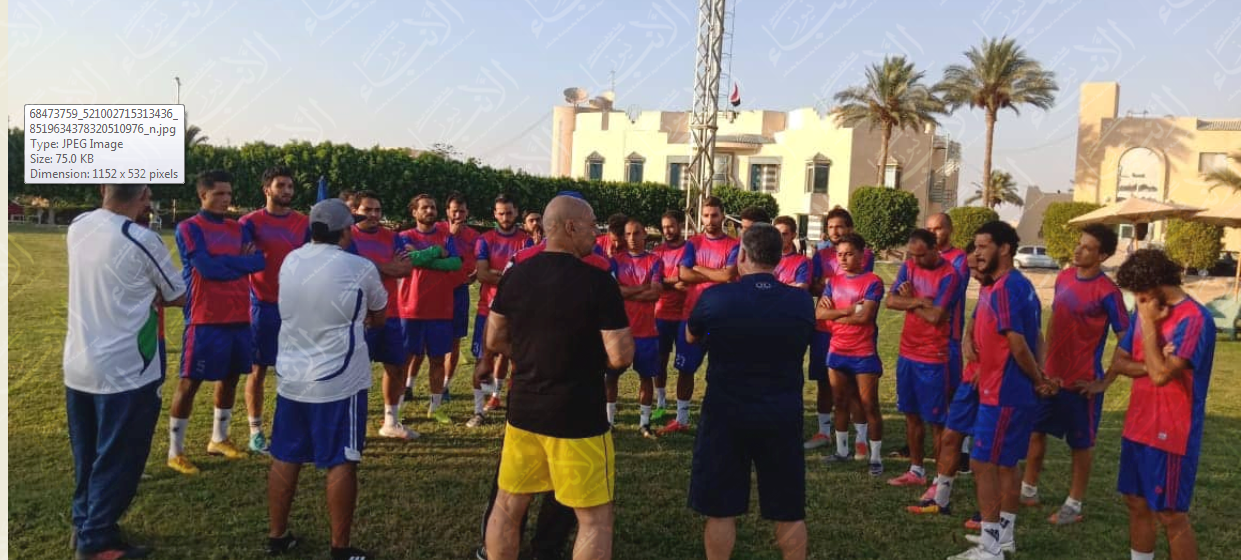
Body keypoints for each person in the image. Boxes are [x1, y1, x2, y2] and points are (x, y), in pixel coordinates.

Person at [484, 195, 634, 560]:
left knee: (508, 505)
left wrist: (533, 357)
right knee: (594, 518)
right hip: (578, 415)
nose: (596, 233)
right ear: (570, 227)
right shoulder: (598, 281)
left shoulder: (516, 274)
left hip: (524, 410)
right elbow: (620, 355)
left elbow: (494, 339)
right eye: (592, 225)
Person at [65, 185, 186, 560]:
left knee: (88, 454)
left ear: (104, 188)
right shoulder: (141, 238)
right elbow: (178, 293)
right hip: (127, 371)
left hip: (79, 366)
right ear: (144, 195)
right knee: (120, 458)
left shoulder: (78, 225)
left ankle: (84, 522)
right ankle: (97, 541)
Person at [265, 198, 386, 560]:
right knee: (341, 460)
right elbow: (379, 313)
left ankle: (277, 535)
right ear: (346, 231)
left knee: (285, 456)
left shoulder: (291, 261)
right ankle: (340, 548)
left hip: (292, 376)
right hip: (339, 381)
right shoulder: (360, 267)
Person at [686, 223, 814, 560]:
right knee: (788, 508)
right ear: (778, 257)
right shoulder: (801, 302)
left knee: (720, 509)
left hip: (726, 414)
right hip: (781, 413)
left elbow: (691, 335)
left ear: (742, 254)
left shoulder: (715, 297)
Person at [952, 220, 1056, 560]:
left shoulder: (1007, 288)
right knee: (1005, 465)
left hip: (1003, 394)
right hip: (1005, 392)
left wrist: (1037, 378)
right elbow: (1036, 335)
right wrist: (1040, 374)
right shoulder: (1014, 285)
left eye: (983, 246)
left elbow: (1019, 342)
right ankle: (1004, 538)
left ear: (1005, 248)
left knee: (983, 463)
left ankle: (991, 547)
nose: (977, 253)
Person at [1110, 248, 1213, 560]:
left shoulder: (1194, 319)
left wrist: (1148, 325)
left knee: (1170, 514)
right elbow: (1119, 362)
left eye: (1139, 292)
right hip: (1138, 424)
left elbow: (1161, 377)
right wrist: (1154, 360)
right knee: (1135, 500)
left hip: (1172, 432)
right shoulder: (1144, 310)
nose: (1137, 299)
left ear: (1155, 285)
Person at [1021, 224, 1128, 525]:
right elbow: (1054, 320)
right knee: (1035, 430)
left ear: (1102, 256)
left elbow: (1126, 340)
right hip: (1050, 377)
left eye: (1087, 247)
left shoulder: (1109, 292)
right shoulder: (1064, 277)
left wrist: (1103, 382)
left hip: (1082, 384)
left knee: (1081, 445)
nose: (1078, 250)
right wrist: (1043, 367)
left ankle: (1074, 504)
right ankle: (1028, 490)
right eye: (1079, 244)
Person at [168, 170, 265, 474]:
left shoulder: (238, 228)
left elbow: (259, 261)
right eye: (219, 193)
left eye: (229, 194)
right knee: (190, 382)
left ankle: (219, 439)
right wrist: (240, 263)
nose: (226, 199)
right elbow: (206, 269)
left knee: (231, 378)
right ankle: (175, 451)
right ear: (203, 195)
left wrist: (227, 262)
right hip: (204, 318)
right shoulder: (189, 228)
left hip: (239, 315)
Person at [907, 241, 986, 519]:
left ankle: (993, 516)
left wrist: (990, 366)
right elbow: (972, 325)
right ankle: (941, 500)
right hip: (971, 377)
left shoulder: (1012, 290)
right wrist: (967, 340)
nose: (973, 273)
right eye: (971, 268)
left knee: (988, 452)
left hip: (995, 381)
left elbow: (1023, 339)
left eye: (977, 266)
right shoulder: (987, 290)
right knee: (952, 436)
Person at [238, 166, 310, 453]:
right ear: (267, 189)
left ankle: (291, 427)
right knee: (258, 369)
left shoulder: (303, 222)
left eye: (290, 186)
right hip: (263, 305)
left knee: (295, 370)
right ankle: (255, 431)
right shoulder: (249, 222)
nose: (287, 191)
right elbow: (242, 259)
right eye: (281, 185)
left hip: (296, 307)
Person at [885, 229, 961, 488]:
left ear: (935, 249)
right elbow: (890, 301)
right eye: (912, 255)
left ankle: (940, 479)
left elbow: (936, 316)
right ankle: (916, 470)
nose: (915, 260)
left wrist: (908, 300)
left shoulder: (950, 275)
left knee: (936, 420)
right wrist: (918, 301)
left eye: (920, 255)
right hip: (907, 352)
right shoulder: (908, 267)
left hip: (933, 356)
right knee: (911, 414)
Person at [664, 196, 739, 435]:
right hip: (692, 314)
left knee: (721, 370)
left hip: (721, 317)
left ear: (723, 215)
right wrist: (715, 274)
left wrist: (698, 269)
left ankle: (720, 417)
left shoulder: (734, 245)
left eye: (714, 215)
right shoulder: (693, 244)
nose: (710, 220)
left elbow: (728, 276)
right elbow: (683, 274)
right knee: (685, 369)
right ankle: (682, 418)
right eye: (706, 215)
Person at [349, 192, 417, 440]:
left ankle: (391, 421)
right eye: (367, 210)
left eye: (377, 210)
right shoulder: (347, 237)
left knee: (396, 367)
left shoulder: (392, 237)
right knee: (356, 372)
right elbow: (350, 271)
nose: (374, 215)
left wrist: (369, 264)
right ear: (355, 211)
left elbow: (406, 269)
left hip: (391, 313)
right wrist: (387, 266)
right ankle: (351, 423)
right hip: (359, 316)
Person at [817, 233, 886, 476]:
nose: (843, 259)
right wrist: (848, 310)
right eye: (839, 255)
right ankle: (842, 451)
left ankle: (875, 458)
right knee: (840, 402)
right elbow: (819, 315)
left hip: (863, 353)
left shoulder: (873, 281)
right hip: (837, 351)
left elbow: (865, 316)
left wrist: (835, 314)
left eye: (849, 254)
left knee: (869, 405)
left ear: (861, 255)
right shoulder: (833, 282)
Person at [806, 208, 873, 454]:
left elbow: (859, 285)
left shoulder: (865, 254)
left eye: (840, 226)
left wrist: (829, 287)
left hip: (853, 330)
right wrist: (823, 287)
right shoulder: (820, 255)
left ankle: (861, 438)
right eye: (831, 227)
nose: (835, 231)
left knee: (854, 384)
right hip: (824, 329)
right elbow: (813, 286)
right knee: (824, 381)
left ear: (850, 228)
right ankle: (824, 431)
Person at [398, 194, 464, 425]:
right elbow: (409, 260)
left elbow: (456, 263)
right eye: (424, 207)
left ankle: (434, 408)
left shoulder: (447, 236)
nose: (429, 211)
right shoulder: (404, 236)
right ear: (414, 212)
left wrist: (423, 258)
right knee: (404, 360)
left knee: (437, 360)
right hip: (411, 308)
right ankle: (396, 409)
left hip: (440, 309)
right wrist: (436, 252)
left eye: (433, 207)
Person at [474, 195, 532, 412]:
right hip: (488, 308)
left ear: (516, 212)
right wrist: (512, 277)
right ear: (495, 214)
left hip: (517, 311)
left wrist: (498, 275)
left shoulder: (526, 241)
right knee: (483, 359)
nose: (505, 217)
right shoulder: (485, 240)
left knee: (516, 357)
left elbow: (528, 277)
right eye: (501, 213)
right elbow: (482, 274)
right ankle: (478, 411)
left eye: (509, 213)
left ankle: (509, 401)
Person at [608, 217, 664, 438]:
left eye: (636, 233)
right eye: (628, 234)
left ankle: (644, 423)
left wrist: (626, 291)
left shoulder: (655, 261)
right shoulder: (614, 261)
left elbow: (656, 292)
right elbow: (613, 291)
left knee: (646, 377)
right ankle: (609, 421)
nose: (631, 238)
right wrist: (642, 288)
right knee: (611, 377)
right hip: (620, 330)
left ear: (645, 235)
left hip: (646, 331)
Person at [926, 212, 973, 470]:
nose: (933, 233)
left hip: (949, 336)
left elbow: (948, 293)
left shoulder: (959, 259)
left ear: (950, 230)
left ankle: (962, 449)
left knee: (953, 393)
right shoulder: (920, 257)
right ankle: (925, 444)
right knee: (928, 392)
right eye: (929, 229)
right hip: (922, 336)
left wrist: (919, 297)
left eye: (938, 228)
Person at [653, 210, 690, 423]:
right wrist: (675, 282)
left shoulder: (690, 248)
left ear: (680, 225)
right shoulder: (657, 252)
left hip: (685, 314)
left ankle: (681, 412)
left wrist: (671, 280)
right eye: (664, 227)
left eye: (671, 226)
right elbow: (655, 280)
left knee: (684, 364)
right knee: (660, 361)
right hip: (662, 313)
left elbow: (693, 276)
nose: (667, 230)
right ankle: (660, 403)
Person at [447, 192, 482, 400]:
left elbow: (480, 260)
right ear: (447, 212)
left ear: (467, 212)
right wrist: (450, 235)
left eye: (461, 211)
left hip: (460, 292)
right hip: (437, 293)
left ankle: (444, 386)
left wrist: (475, 274)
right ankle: (409, 384)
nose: (458, 215)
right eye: (454, 211)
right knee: (422, 344)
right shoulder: (439, 231)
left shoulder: (474, 236)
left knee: (454, 341)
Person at [773, 216, 810, 290]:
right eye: (776, 233)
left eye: (784, 234)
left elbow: (800, 289)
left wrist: (772, 287)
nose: (780, 237)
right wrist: (789, 286)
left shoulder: (803, 261)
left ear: (793, 235)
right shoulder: (765, 259)